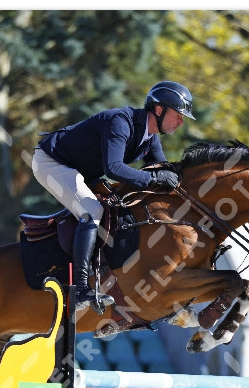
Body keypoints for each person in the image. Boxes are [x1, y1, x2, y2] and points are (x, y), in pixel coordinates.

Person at [32, 81, 195, 313]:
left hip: (81, 171)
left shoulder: (151, 137)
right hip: (52, 162)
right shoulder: (121, 121)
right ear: (159, 110)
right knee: (92, 211)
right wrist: (154, 179)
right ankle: (80, 289)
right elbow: (114, 168)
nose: (181, 121)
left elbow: (162, 170)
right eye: (178, 115)